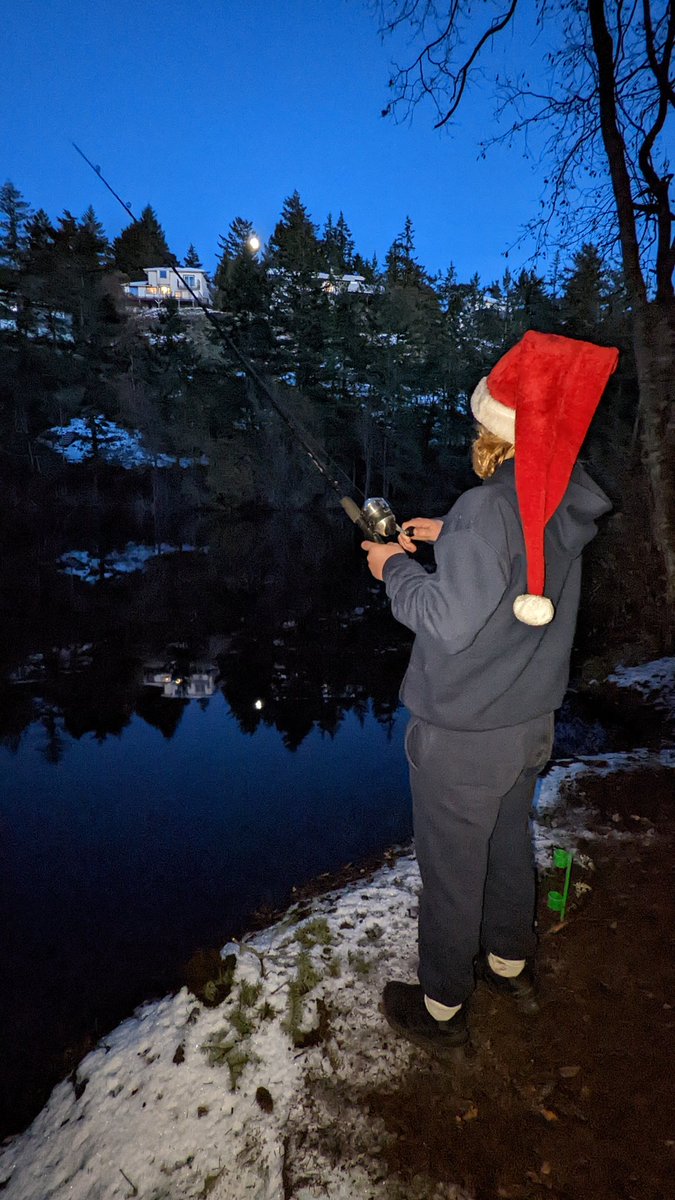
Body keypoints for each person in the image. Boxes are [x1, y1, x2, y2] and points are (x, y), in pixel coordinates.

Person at [361, 330, 618, 1054]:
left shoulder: (487, 508)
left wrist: (391, 568)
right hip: (528, 723)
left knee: (450, 870)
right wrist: (452, 536)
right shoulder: (560, 500)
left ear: (496, 428)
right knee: (508, 844)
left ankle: (442, 1009)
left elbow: (443, 619)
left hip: (466, 737)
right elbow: (520, 565)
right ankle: (510, 964)